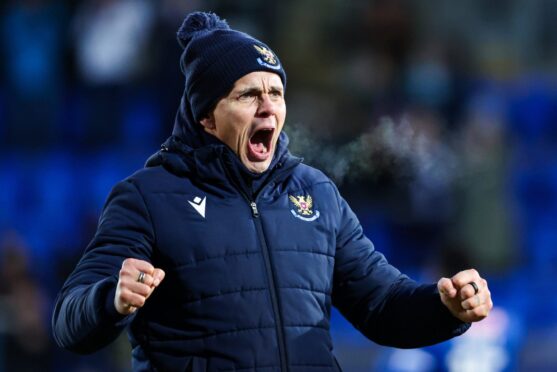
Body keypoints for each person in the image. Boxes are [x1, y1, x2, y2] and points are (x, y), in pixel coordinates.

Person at [52, 11, 493, 372]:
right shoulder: (148, 197)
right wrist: (110, 298)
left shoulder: (316, 193)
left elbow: (381, 304)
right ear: (207, 116)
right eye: (248, 95)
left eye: (276, 93)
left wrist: (445, 307)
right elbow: (69, 322)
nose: (268, 107)